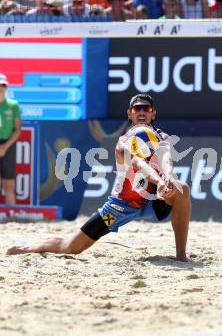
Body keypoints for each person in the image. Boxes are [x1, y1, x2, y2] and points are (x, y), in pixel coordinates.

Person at [7, 93, 191, 262]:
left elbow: (166, 159)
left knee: (182, 187)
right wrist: (159, 181)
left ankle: (181, 256)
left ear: (153, 114)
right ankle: (29, 248)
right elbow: (138, 164)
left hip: (153, 199)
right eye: (137, 108)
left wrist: (168, 179)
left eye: (146, 108)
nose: (141, 112)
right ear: (130, 113)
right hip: (121, 207)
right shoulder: (123, 143)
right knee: (72, 247)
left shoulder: (161, 137)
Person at [0, 73, 21, 205]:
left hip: (8, 145)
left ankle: (11, 216)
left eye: (3, 85)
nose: (0, 87)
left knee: (8, 184)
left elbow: (18, 129)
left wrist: (5, 147)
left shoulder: (13, 105)